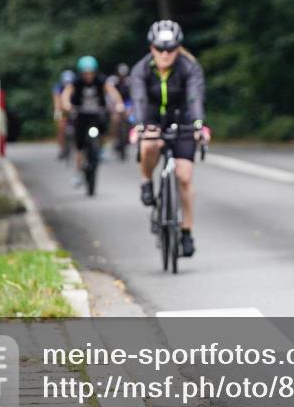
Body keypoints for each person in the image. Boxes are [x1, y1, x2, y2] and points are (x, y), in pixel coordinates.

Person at [129, 20, 209, 258]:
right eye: (160, 48)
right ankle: (146, 180)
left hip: (182, 119)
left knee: (184, 177)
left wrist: (197, 124)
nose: (165, 54)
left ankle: (186, 231)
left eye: (171, 49)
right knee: (150, 144)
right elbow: (140, 99)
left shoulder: (189, 67)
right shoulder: (141, 69)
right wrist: (142, 125)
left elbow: (195, 96)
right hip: (152, 118)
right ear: (151, 48)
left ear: (178, 48)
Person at [61, 56, 124, 186]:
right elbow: (66, 94)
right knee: (80, 145)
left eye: (91, 73)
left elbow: (112, 92)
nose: (88, 76)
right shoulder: (76, 82)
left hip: (97, 113)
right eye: (85, 73)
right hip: (80, 114)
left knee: (103, 129)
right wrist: (67, 104)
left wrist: (119, 103)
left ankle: (100, 150)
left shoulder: (101, 80)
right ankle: (78, 173)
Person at [52, 70, 75, 159]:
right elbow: (56, 100)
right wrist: (57, 111)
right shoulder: (58, 87)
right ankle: (62, 148)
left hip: (74, 109)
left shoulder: (76, 87)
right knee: (61, 127)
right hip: (63, 110)